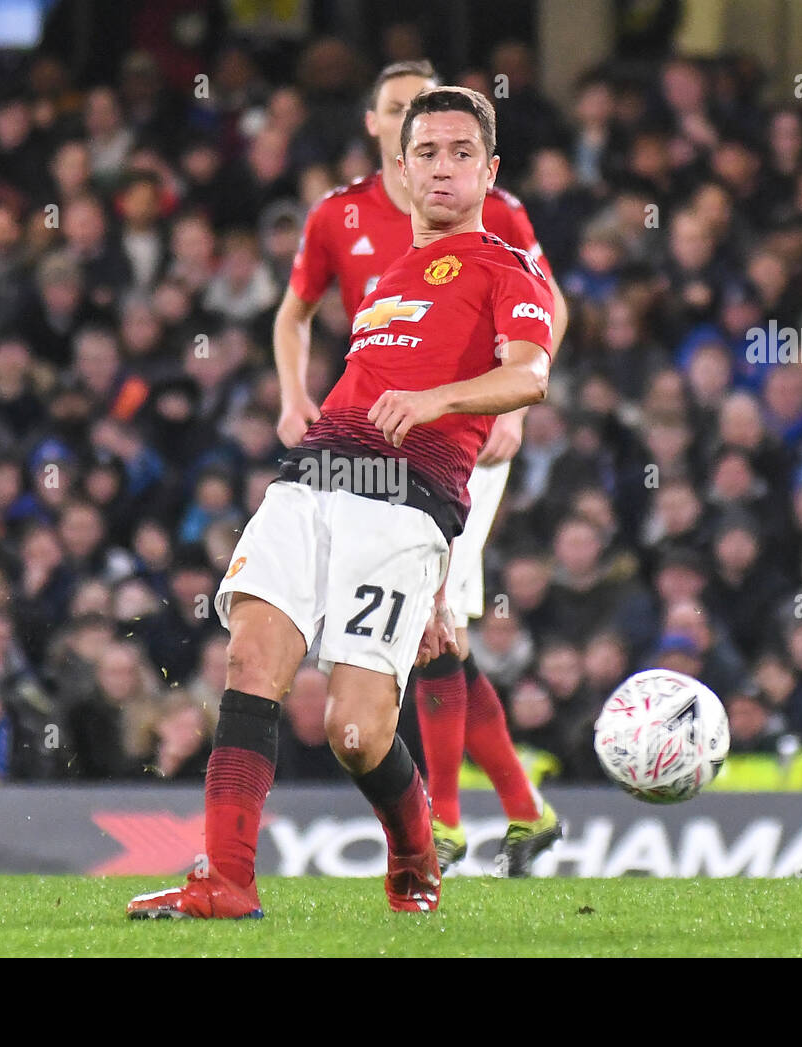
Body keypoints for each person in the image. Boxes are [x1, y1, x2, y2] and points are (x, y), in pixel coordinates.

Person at [127, 85, 553, 920]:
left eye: (461, 152)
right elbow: (348, 372)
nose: (441, 167)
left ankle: (415, 848)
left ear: (489, 170)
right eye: (424, 151)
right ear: (400, 167)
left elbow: (531, 375)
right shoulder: (388, 276)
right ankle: (227, 880)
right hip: (310, 481)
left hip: (406, 507)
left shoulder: (509, 266)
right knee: (250, 660)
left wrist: (439, 405)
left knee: (357, 734)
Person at [271, 59, 569, 876]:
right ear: (382, 132)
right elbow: (294, 312)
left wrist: (501, 408)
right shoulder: (341, 216)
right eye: (408, 121)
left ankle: (446, 816)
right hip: (368, 434)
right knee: (433, 630)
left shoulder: (490, 212)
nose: (440, 156)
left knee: (440, 625)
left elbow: (546, 309)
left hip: (457, 431)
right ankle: (519, 808)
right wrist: (295, 396)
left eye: (454, 143)